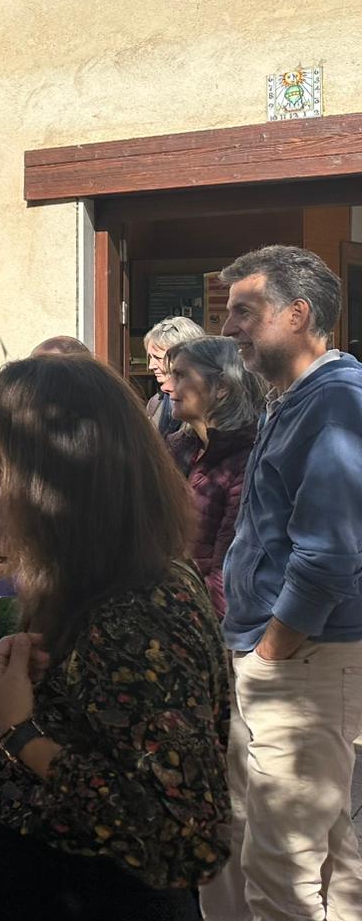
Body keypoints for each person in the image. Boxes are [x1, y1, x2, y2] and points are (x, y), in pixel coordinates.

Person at [0, 354, 232, 920]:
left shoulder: (142, 609)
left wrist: (20, 729)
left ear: (47, 475)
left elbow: (184, 835)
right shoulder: (86, 578)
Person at [215, 245, 362, 920]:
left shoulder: (332, 401)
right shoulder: (297, 399)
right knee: (335, 854)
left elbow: (328, 555)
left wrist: (271, 655)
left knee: (281, 867)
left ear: (297, 314)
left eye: (243, 311)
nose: (229, 327)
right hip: (303, 659)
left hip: (304, 663)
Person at [0, 335, 89, 586]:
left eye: (46, 373)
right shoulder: (13, 422)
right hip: (0, 563)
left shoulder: (78, 444)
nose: (33, 379)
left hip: (43, 573)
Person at [163, 336, 264, 617]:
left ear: (221, 387)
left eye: (180, 375)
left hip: (206, 621)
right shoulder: (179, 449)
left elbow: (227, 570)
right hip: (172, 609)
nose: (168, 387)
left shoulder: (247, 460)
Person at [143, 316, 206, 437]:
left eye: (158, 358)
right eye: (150, 358)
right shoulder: (156, 403)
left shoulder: (209, 405)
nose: (151, 366)